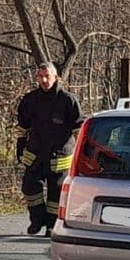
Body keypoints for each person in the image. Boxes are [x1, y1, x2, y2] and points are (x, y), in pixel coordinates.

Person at [15, 61, 83, 236]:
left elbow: (79, 127)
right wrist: (20, 144)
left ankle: (52, 225)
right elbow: (22, 125)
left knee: (56, 193)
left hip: (60, 156)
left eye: (47, 76)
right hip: (35, 153)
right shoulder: (30, 100)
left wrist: (83, 151)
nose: (44, 80)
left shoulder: (68, 100)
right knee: (29, 187)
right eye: (41, 76)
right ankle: (37, 220)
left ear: (56, 78)